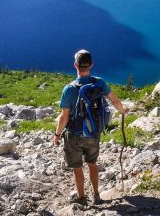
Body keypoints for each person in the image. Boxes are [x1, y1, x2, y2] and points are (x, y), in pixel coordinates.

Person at [53, 49, 129, 205]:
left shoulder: (69, 88)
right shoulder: (99, 82)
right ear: (91, 65)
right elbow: (115, 101)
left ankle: (81, 198)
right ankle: (96, 195)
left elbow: (64, 117)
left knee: (77, 167)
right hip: (93, 132)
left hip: (74, 134)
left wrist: (57, 134)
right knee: (92, 164)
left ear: (75, 65)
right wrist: (122, 111)